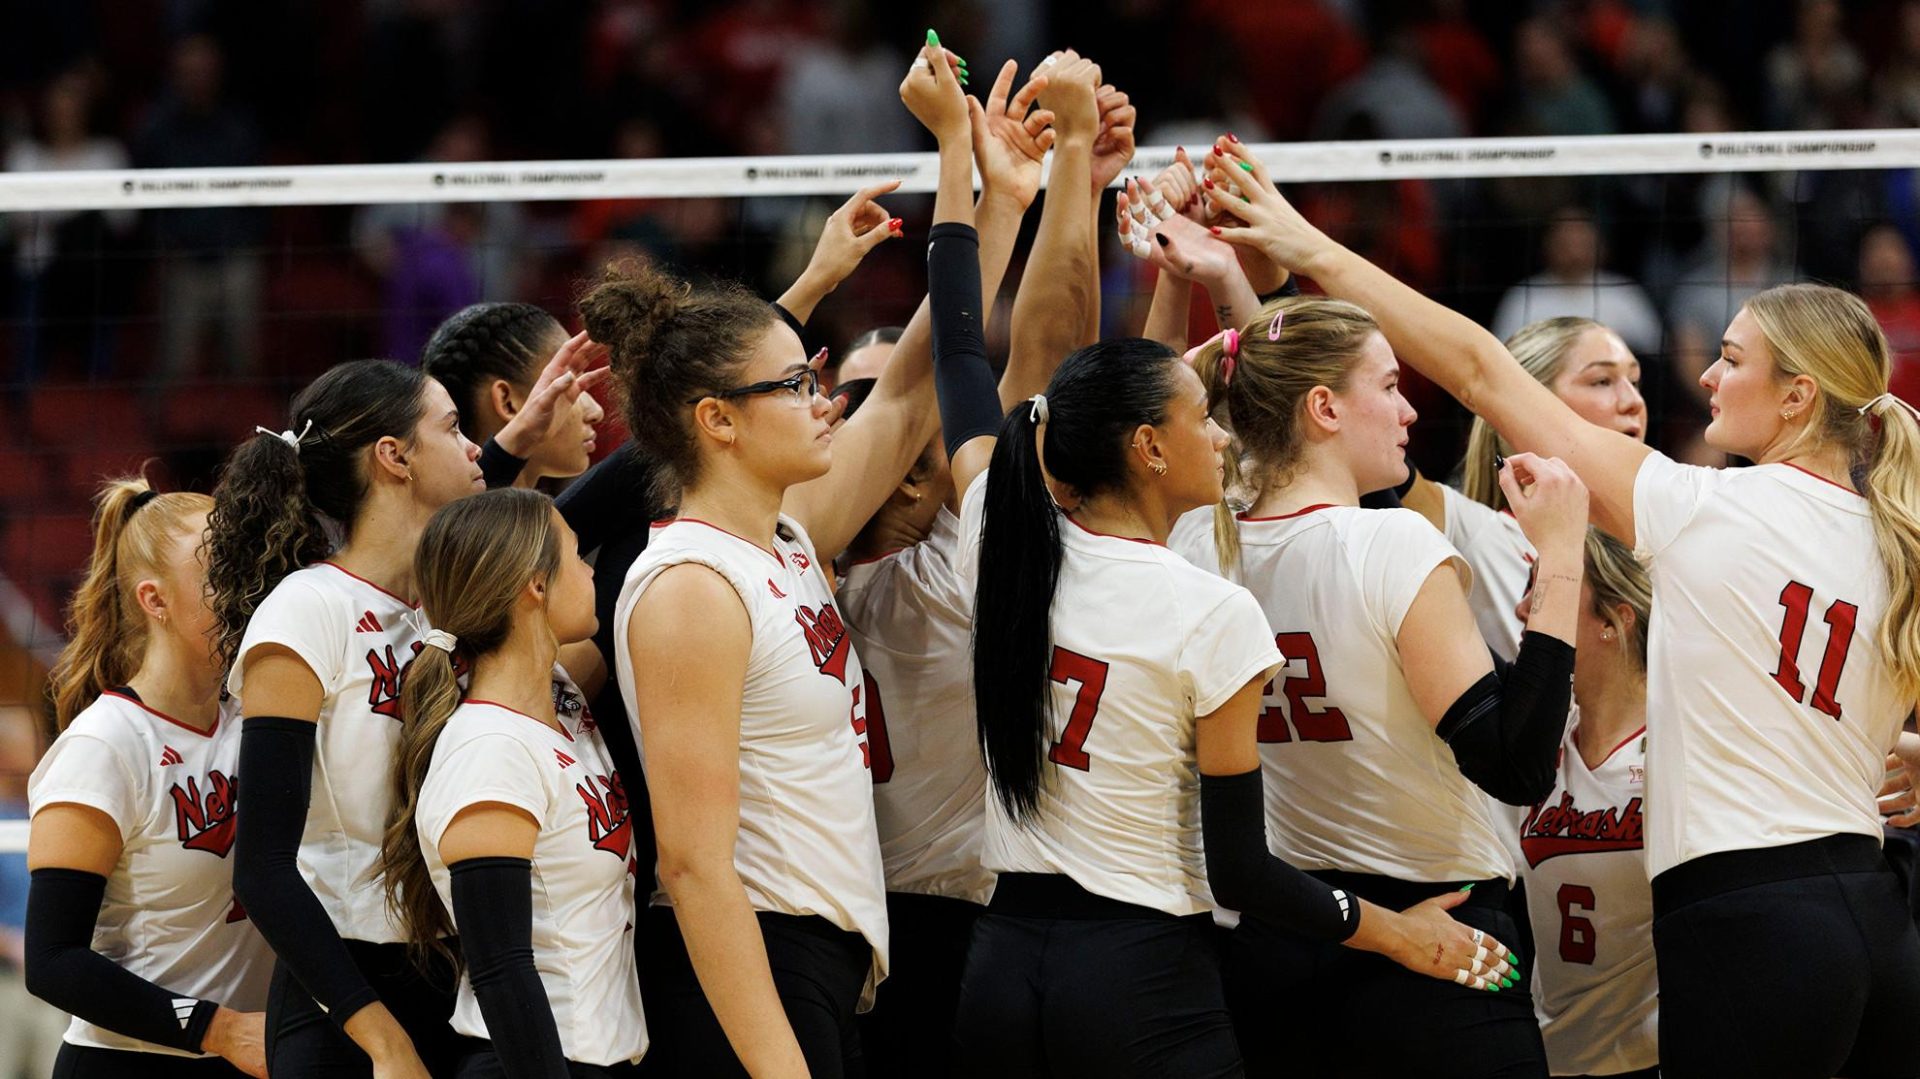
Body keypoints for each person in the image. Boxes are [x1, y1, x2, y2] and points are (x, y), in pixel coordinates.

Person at [1204, 137, 1920, 1079]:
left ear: (1796, 397)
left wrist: (1310, 246)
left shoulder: (1700, 507)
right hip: (1880, 911)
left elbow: (1479, 371)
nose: (1702, 373)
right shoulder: (1893, 527)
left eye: (1732, 358)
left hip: (1751, 920)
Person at [954, 329, 1517, 1078]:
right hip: (1136, 975)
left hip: (998, 964)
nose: (1222, 436)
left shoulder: (1000, 544)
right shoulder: (1209, 607)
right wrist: (1400, 935)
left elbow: (960, 372)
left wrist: (969, 211)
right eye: (1202, 417)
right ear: (1150, 447)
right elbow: (1241, 871)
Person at [598, 40, 999, 1078]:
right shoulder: (691, 585)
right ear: (717, 423)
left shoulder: (786, 536)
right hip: (749, 973)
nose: (825, 399)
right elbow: (691, 863)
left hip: (820, 963)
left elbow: (916, 381)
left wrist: (977, 168)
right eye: (796, 384)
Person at [1168, 293, 1587, 1079]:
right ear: (1323, 406)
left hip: (1277, 947)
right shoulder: (1391, 541)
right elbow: (1517, 765)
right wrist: (1563, 557)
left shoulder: (1196, 542)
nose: (1407, 411)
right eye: (1390, 386)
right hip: (1439, 950)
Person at [833, 51, 1057, 1074]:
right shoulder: (787, 554)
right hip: (824, 917)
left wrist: (985, 185)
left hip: (952, 918)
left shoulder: (975, 552)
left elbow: (982, 366)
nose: (910, 449)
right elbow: (920, 379)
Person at [208, 360, 484, 1079]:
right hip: (346, 994)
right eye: (454, 428)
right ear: (393, 457)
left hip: (458, 976)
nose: (477, 447)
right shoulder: (308, 610)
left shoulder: (452, 609)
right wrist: (382, 1039)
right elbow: (262, 870)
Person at [383, 489, 646, 1077]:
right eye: (578, 555)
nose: (590, 571)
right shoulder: (489, 751)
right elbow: (501, 965)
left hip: (596, 1056)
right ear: (536, 585)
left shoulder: (560, 698)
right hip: (535, 1060)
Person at [25, 479, 271, 1078]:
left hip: (250, 1056)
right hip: (132, 1060)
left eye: (244, 565)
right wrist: (219, 1028)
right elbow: (52, 961)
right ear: (154, 601)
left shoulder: (260, 716)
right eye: (218, 572)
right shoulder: (104, 745)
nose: (243, 589)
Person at [1510, 530, 1658, 1079]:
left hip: (1653, 1056)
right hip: (1549, 1049)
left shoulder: (1680, 742)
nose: (1524, 607)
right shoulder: (1538, 742)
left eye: (1546, 589)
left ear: (1614, 620)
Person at [1429, 316, 1648, 658]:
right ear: (1529, 405)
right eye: (1602, 381)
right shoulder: (1483, 534)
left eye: (1635, 380)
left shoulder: (1658, 536)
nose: (1633, 400)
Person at [421, 304, 610, 489]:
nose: (596, 412)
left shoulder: (551, 515)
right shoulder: (449, 517)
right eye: (567, 383)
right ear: (507, 402)